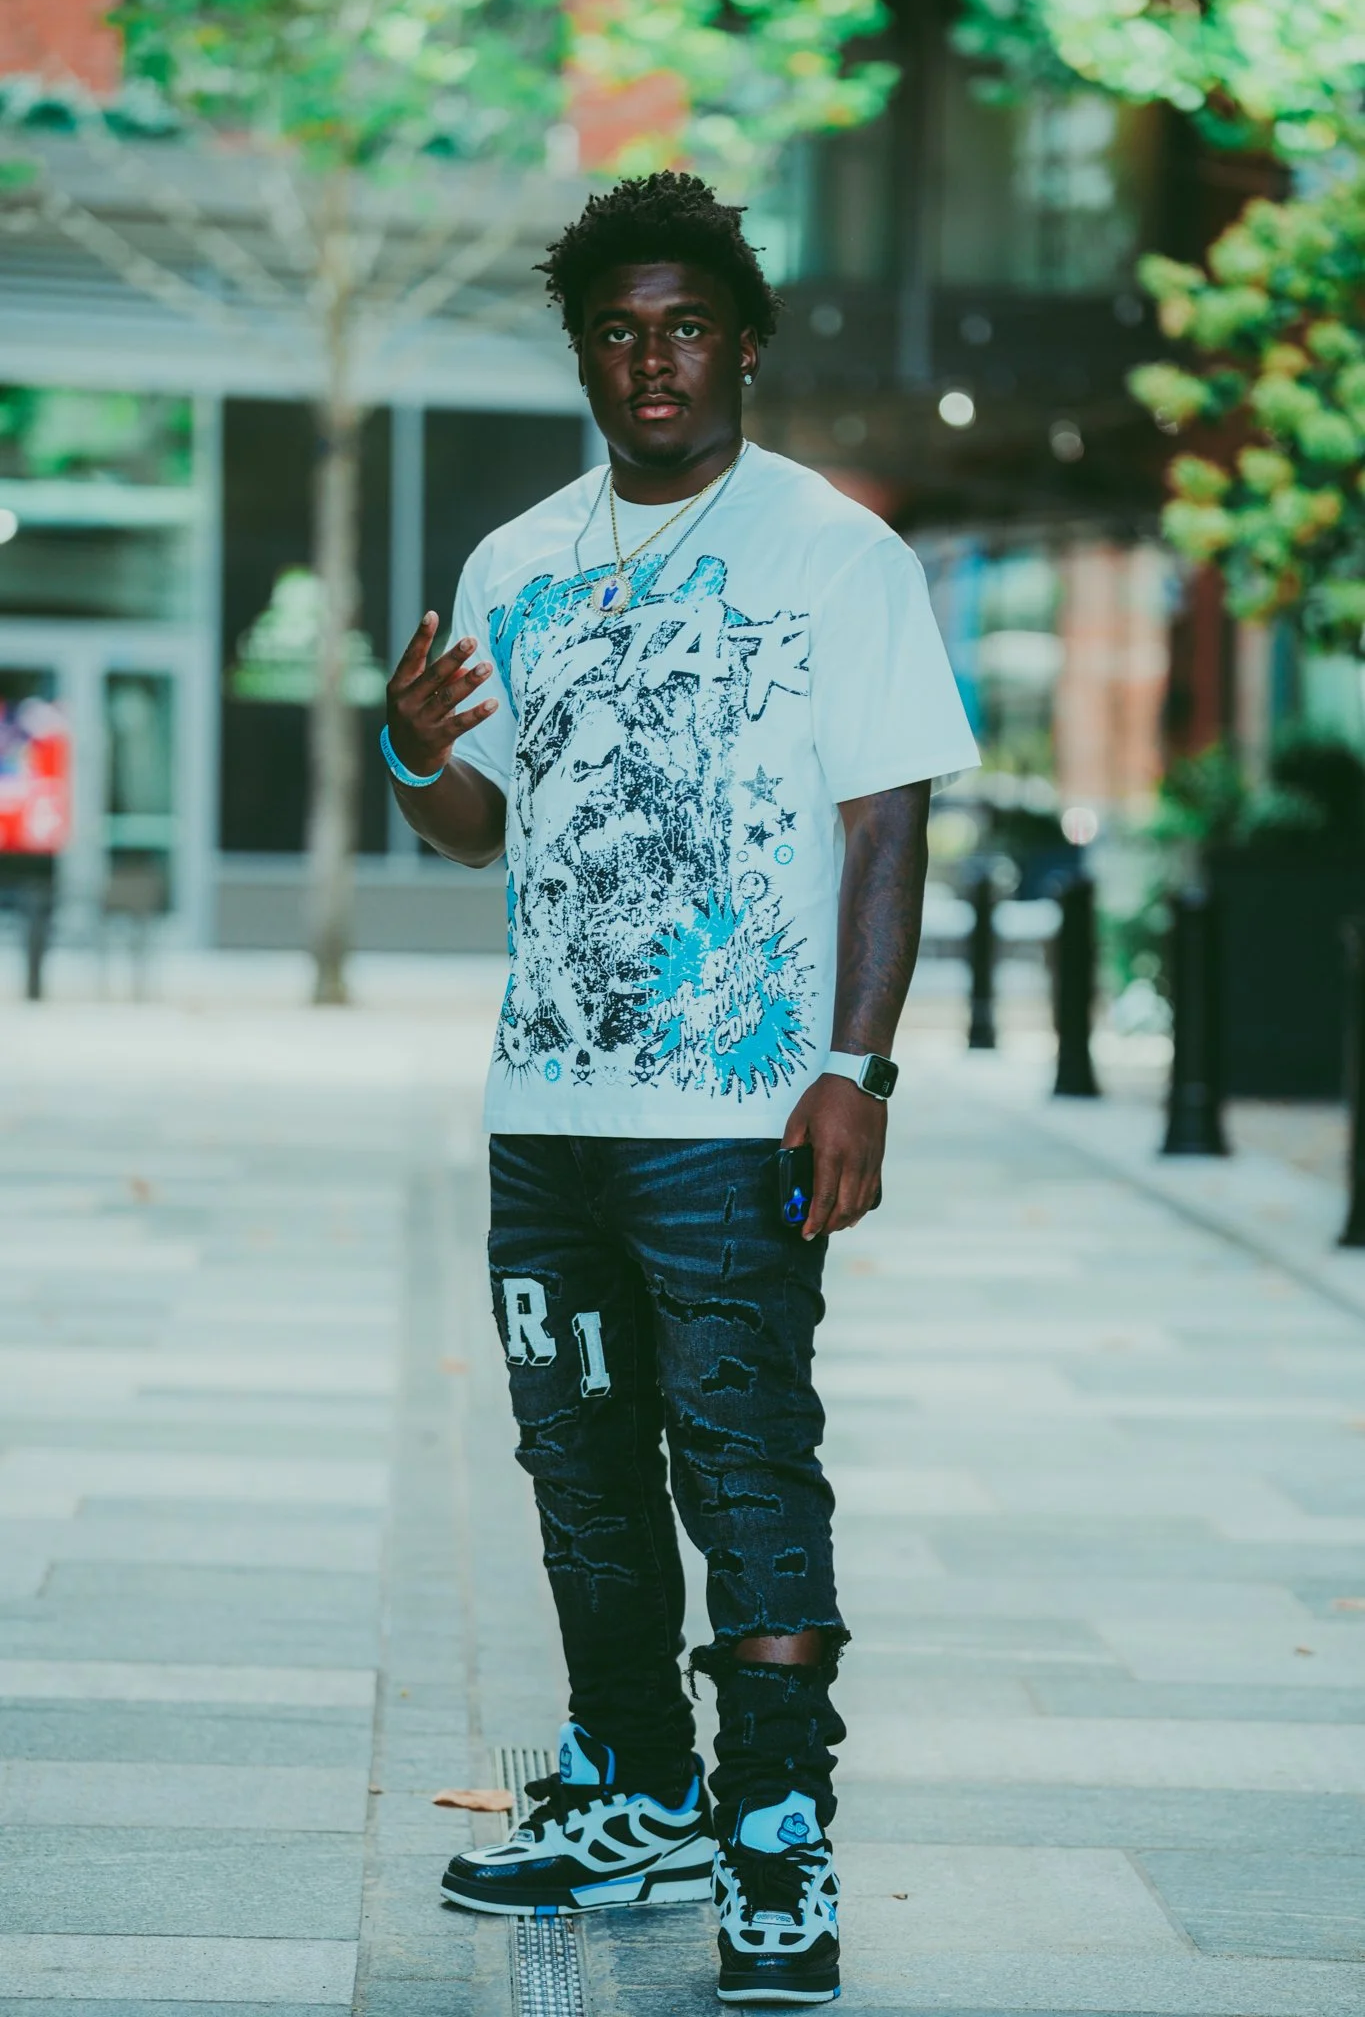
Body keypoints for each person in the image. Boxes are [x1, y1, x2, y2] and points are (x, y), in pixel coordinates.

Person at [380, 170, 978, 2007]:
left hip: (732, 1119)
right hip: (548, 1112)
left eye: (686, 327)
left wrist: (855, 1070)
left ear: (741, 343)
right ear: (584, 350)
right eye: (620, 331)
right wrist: (414, 755)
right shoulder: (514, 561)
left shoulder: (836, 555)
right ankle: (639, 1789)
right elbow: (479, 828)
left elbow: (888, 828)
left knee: (743, 1459)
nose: (654, 359)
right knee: (577, 1469)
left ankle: (777, 1840)